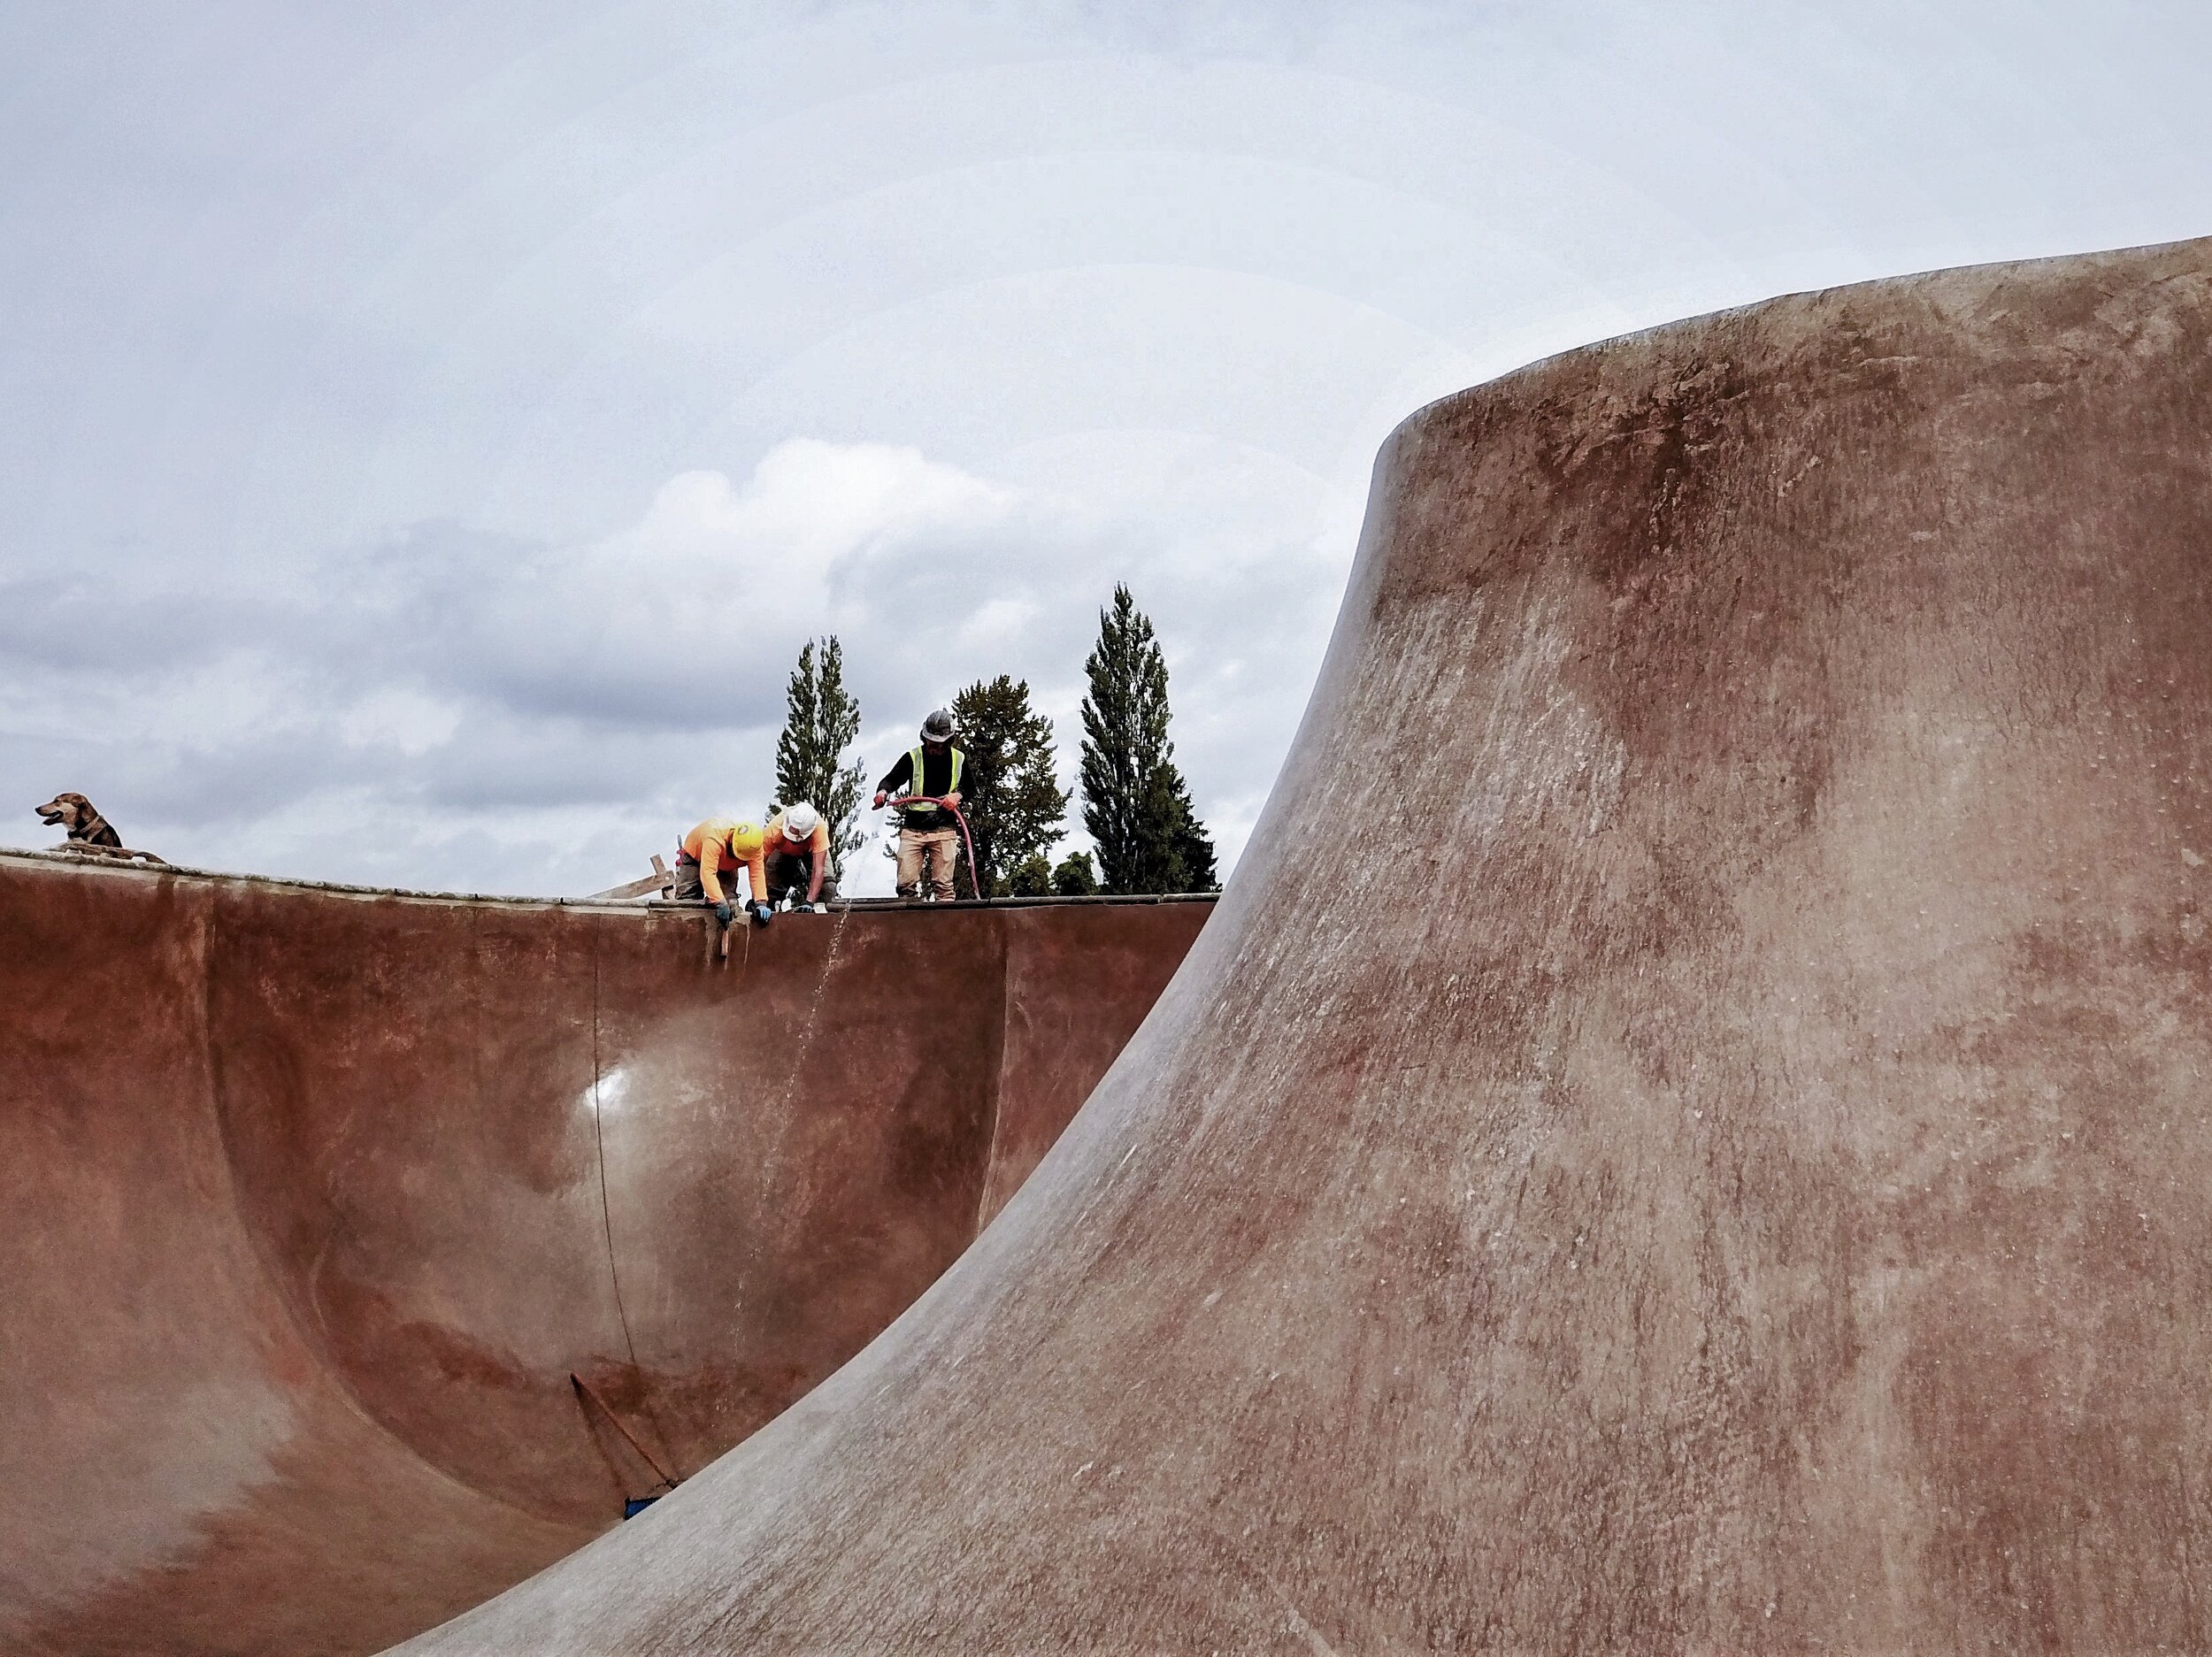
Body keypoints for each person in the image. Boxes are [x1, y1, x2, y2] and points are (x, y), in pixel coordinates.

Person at [872, 710, 965, 901]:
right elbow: (891, 779)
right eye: (932, 743)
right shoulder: (913, 757)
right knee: (905, 883)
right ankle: (908, 923)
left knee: (944, 887)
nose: (936, 748)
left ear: (949, 741)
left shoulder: (959, 759)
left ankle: (945, 925)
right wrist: (882, 792)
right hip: (913, 830)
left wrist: (957, 795)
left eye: (940, 744)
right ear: (924, 737)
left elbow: (970, 787)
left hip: (944, 830)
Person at [673, 816, 772, 926]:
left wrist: (761, 902)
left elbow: (757, 874)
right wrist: (719, 902)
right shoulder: (714, 839)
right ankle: (687, 930)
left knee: (731, 903)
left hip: (726, 864)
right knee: (687, 901)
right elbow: (708, 873)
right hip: (695, 854)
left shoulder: (754, 848)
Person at [763, 802, 837, 911]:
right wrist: (758, 899)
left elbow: (819, 869)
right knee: (771, 880)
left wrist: (809, 902)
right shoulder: (774, 829)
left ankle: (827, 918)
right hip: (782, 849)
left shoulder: (819, 829)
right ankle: (770, 908)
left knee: (828, 886)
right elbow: (758, 863)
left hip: (811, 850)